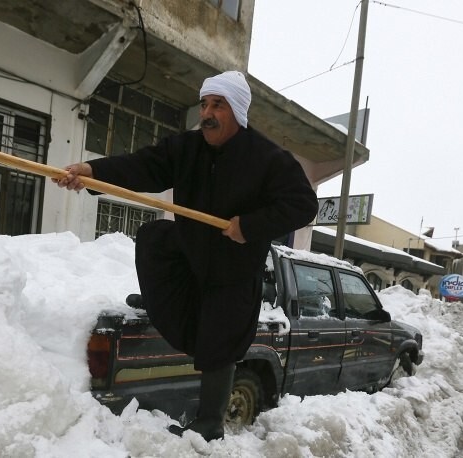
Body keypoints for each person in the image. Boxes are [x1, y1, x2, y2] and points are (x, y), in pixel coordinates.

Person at [53, 71, 318, 441]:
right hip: (192, 249)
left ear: (238, 111)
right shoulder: (186, 148)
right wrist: (93, 173)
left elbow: (304, 205)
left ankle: (209, 424)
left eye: (218, 105)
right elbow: (142, 166)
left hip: (233, 267)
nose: (207, 113)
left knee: (219, 343)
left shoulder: (268, 158)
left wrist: (250, 225)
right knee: (155, 237)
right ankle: (166, 303)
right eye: (205, 104)